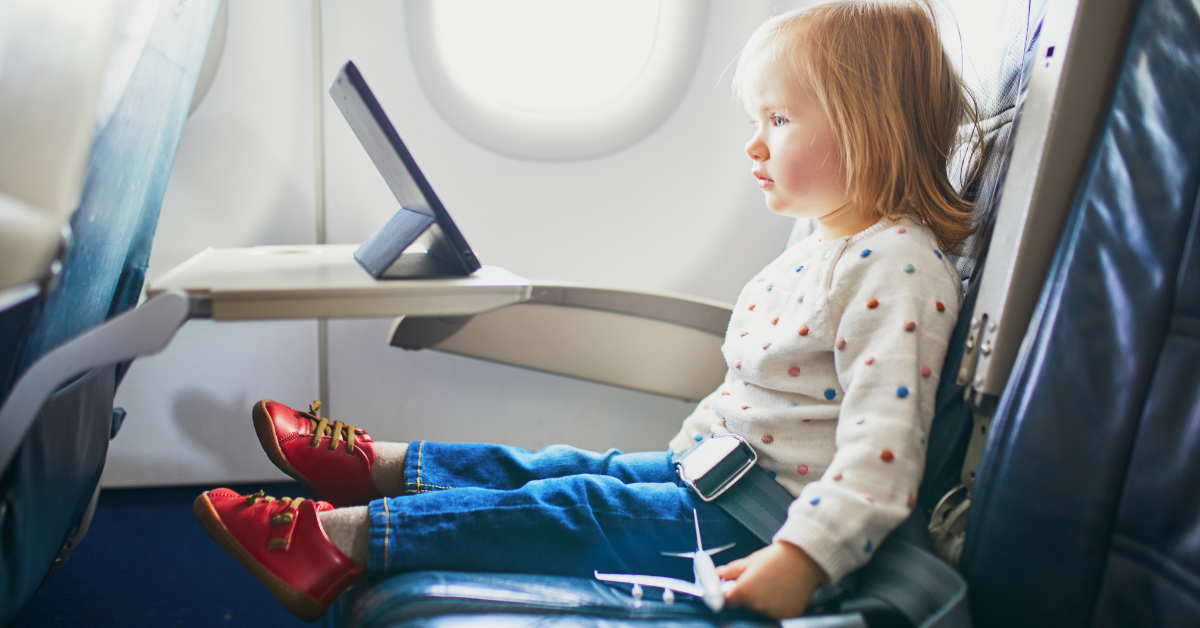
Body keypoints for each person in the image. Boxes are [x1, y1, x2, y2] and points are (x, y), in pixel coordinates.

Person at [193, 0, 978, 621]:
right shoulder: (823, 240)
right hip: (717, 479)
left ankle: (336, 542)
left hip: (765, 523)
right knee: (564, 467)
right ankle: (377, 466)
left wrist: (803, 560)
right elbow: (769, 391)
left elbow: (882, 459)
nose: (753, 146)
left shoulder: (900, 267)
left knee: (577, 506)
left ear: (869, 129)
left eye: (778, 120)